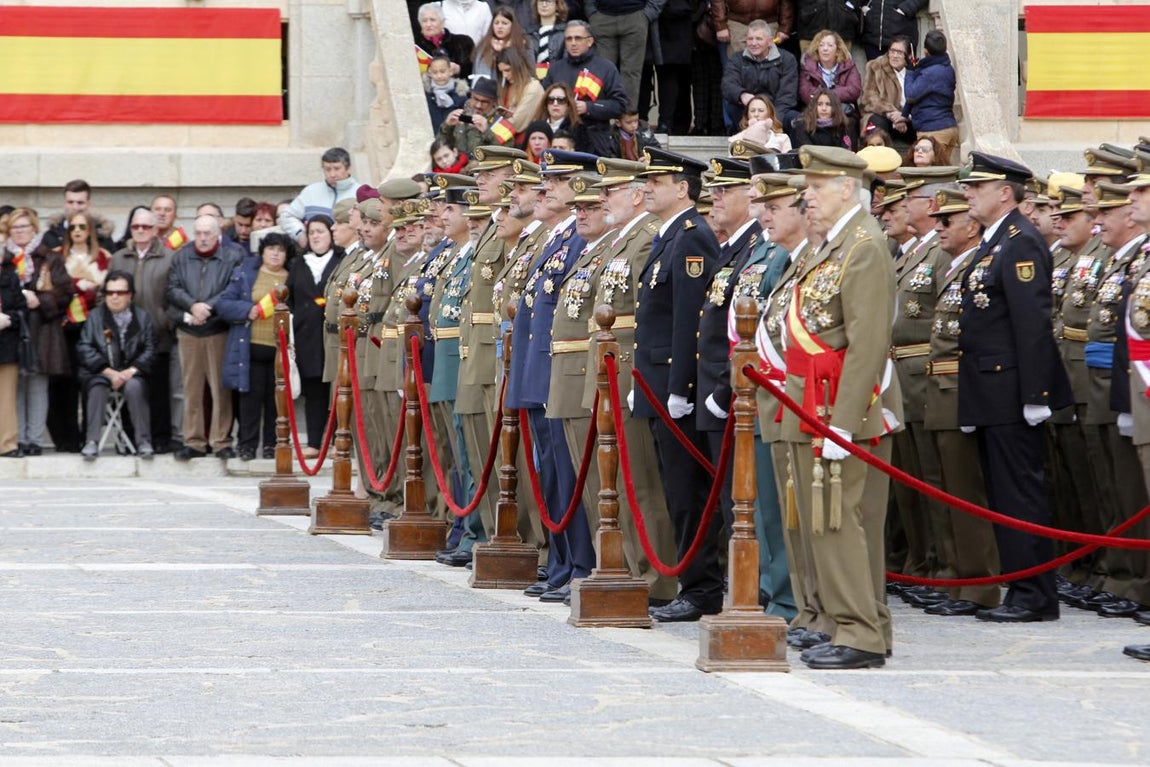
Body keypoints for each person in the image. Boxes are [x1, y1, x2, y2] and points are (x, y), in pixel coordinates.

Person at [784, 145, 901, 669]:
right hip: (819, 406)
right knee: (827, 522)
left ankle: (860, 633)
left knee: (838, 518)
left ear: (848, 189)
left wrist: (843, 426)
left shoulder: (864, 246)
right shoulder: (837, 245)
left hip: (840, 411)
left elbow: (866, 344)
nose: (807, 196)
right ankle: (849, 621)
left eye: (816, 186)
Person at [958, 152, 1073, 622]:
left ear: (1004, 192)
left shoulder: (1019, 242)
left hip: (1011, 392)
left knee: (1019, 494)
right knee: (1005, 495)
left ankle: (1035, 595)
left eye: (975, 187)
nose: (967, 193)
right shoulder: (997, 241)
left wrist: (1036, 396)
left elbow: (1032, 324)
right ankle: (1020, 587)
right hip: (992, 390)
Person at [633, 148, 721, 622]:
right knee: (674, 489)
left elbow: (690, 320)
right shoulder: (667, 238)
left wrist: (681, 388)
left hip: (674, 385)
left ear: (682, 188)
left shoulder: (691, 238)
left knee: (688, 492)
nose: (645, 187)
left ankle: (702, 588)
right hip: (656, 381)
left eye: (655, 180)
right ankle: (694, 581)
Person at [167, 215, 243, 460]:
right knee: (191, 388)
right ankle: (194, 441)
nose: (201, 238)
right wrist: (192, 306)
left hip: (218, 329)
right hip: (189, 330)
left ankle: (221, 441)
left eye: (207, 233)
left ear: (217, 234)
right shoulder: (181, 256)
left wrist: (206, 307)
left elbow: (232, 288)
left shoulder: (232, 256)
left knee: (220, 389)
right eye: (198, 233)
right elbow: (172, 288)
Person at [216, 232, 294, 461]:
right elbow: (224, 304)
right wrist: (247, 311)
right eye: (271, 249)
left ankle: (272, 445)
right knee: (249, 400)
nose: (275, 253)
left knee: (275, 400)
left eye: (280, 250)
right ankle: (247, 445)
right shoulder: (246, 274)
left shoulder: (292, 278)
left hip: (280, 350)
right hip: (249, 348)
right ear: (262, 252)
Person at [109, 207, 177, 453]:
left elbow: (173, 295)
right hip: (125, 337)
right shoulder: (119, 258)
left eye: (146, 227)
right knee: (129, 388)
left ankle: (160, 438)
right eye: (136, 226)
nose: (140, 231)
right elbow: (107, 293)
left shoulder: (169, 257)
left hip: (159, 335)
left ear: (155, 229)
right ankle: (127, 438)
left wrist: (165, 321)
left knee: (158, 391)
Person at [7, 208, 74, 456]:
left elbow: (66, 292)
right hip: (12, 330)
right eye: (15, 228)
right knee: (16, 386)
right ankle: (18, 438)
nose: (20, 232)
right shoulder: (4, 259)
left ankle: (34, 439)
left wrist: (40, 301)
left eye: (24, 227)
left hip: (42, 330)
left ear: (34, 229)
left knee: (37, 385)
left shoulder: (49, 258)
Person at [77, 270, 156, 460]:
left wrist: (130, 371)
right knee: (96, 387)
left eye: (120, 293)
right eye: (109, 292)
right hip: (100, 371)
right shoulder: (95, 317)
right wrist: (109, 372)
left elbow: (150, 349)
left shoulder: (142, 318)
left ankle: (143, 441)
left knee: (135, 386)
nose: (114, 297)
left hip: (132, 372)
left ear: (130, 295)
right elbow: (84, 347)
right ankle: (91, 441)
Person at [287, 216, 343, 460]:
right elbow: (290, 299)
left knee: (337, 387)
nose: (316, 237)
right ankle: (313, 441)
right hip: (306, 335)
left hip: (333, 334)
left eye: (321, 231)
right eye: (312, 233)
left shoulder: (341, 260)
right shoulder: (299, 264)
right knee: (314, 390)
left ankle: (338, 440)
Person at [541, 20, 630, 156]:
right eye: (569, 39)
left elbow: (620, 105)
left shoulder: (606, 68)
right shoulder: (556, 68)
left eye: (578, 38)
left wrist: (588, 107)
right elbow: (543, 102)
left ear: (589, 41)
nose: (573, 43)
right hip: (560, 140)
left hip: (596, 141)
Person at [720, 20, 799, 134]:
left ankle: (789, 151)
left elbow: (787, 96)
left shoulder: (787, 59)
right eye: (750, 39)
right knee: (732, 107)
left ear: (770, 41)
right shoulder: (737, 59)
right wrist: (742, 94)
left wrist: (772, 121)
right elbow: (728, 84)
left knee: (794, 117)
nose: (753, 43)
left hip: (776, 112)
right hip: (749, 112)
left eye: (759, 39)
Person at [584, 0, 663, 110]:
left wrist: (648, 14)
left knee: (631, 73)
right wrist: (591, 11)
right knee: (601, 73)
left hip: (635, 16)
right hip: (601, 18)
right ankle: (601, 120)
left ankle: (627, 121)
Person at [279, 147, 359, 250]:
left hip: (350, 252)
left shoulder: (360, 192)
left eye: (337, 168)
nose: (332, 174)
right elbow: (287, 216)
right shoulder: (310, 192)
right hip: (316, 254)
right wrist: (300, 234)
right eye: (327, 169)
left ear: (348, 168)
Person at [903, 30, 959, 165]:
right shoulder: (947, 68)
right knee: (943, 173)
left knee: (930, 173)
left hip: (933, 129)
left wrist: (910, 71)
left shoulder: (931, 73)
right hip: (948, 127)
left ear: (925, 51)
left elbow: (911, 95)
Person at [0, 246, 27, 457]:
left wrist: (9, 319)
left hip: (6, 344)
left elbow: (21, 309)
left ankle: (7, 444)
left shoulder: (10, 277)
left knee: (6, 397)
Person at [797, 30, 862, 118]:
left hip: (843, 111)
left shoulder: (848, 65)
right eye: (821, 45)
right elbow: (805, 92)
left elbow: (854, 90)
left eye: (830, 45)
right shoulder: (807, 66)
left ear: (838, 50)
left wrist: (826, 96)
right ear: (817, 49)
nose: (825, 49)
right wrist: (827, 99)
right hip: (815, 111)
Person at [860, 36, 914, 143]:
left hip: (908, 119)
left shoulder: (915, 72)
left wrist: (905, 116)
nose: (894, 56)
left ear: (908, 56)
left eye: (899, 52)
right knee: (877, 124)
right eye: (892, 51)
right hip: (883, 116)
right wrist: (891, 114)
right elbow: (869, 97)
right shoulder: (876, 66)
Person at [42, 179, 116, 253]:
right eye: (70, 202)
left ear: (89, 204)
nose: (75, 207)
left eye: (80, 203)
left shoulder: (102, 235)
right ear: (64, 204)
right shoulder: (51, 236)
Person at [439, 76, 500, 158]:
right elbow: (438, 148)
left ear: (494, 102)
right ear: (471, 95)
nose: (478, 105)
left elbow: (504, 156)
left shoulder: (500, 123)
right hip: (456, 168)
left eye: (484, 102)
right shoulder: (460, 115)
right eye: (475, 99)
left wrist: (487, 132)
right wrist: (447, 126)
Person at [709, 0, 793, 59]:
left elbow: (787, 2)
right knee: (738, 63)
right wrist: (721, 25)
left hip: (768, 21)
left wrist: (785, 27)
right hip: (737, 22)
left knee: (768, 63)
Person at [494, 46, 546, 140]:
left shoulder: (533, 88)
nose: (504, 76)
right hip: (504, 141)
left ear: (519, 67)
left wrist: (488, 133)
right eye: (501, 72)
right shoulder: (506, 86)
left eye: (507, 70)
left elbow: (516, 123)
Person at [415, 2, 476, 79]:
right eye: (424, 21)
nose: (428, 24)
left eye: (432, 20)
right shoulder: (415, 48)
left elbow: (476, 69)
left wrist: (459, 69)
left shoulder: (464, 42)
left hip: (461, 88)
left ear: (443, 22)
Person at [473, 6, 533, 80]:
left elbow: (530, 71)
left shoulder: (523, 43)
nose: (500, 26)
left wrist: (508, 52)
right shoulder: (485, 45)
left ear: (512, 25)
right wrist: (495, 54)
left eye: (504, 23)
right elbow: (479, 75)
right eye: (496, 23)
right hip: (489, 88)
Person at [859, 0, 926, 60]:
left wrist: (905, 9)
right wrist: (865, 7)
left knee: (904, 73)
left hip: (901, 35)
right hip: (872, 37)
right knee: (875, 72)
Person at [425, 55, 471, 132]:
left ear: (450, 71)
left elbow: (468, 119)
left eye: (442, 71)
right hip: (432, 138)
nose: (439, 76)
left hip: (454, 138)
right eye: (435, 72)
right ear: (430, 73)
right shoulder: (427, 95)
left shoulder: (460, 94)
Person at [527, 0, 568, 77]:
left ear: (557, 5)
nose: (544, 5)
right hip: (533, 81)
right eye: (541, 1)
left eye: (548, 1)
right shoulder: (529, 34)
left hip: (557, 80)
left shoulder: (565, 32)